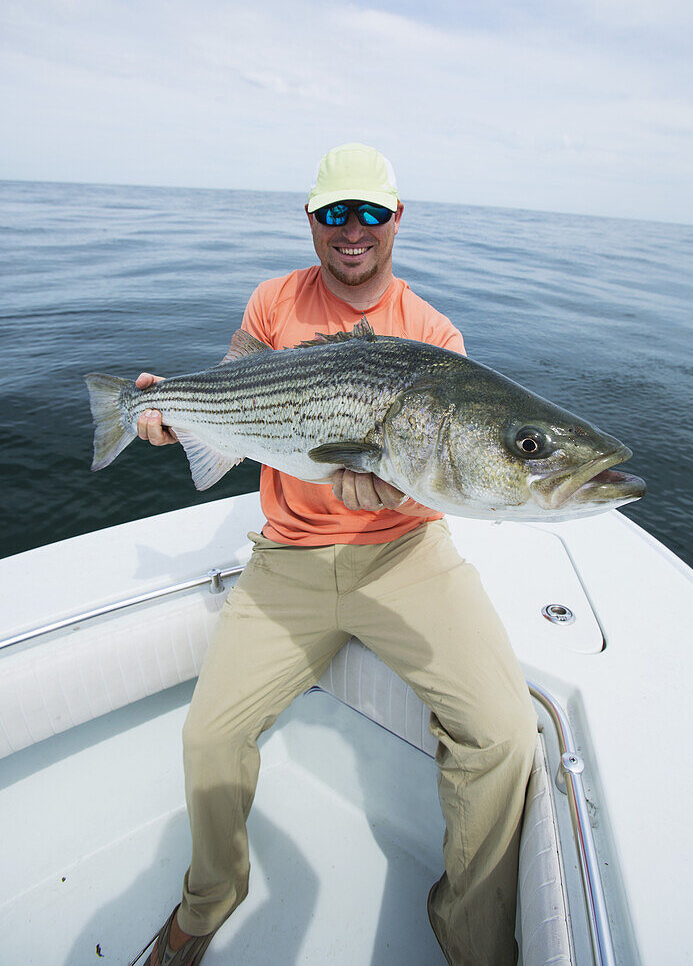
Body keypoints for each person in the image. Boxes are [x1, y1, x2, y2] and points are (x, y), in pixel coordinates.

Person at [134, 143, 537, 966]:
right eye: (333, 214)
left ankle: (469, 937)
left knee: (505, 736)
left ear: (396, 219)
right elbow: (235, 394)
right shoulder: (272, 299)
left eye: (368, 213)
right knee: (208, 740)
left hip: (405, 551)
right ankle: (205, 907)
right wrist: (173, 414)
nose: (351, 231)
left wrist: (397, 491)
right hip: (289, 555)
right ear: (311, 222)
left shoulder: (434, 334)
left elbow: (447, 467)